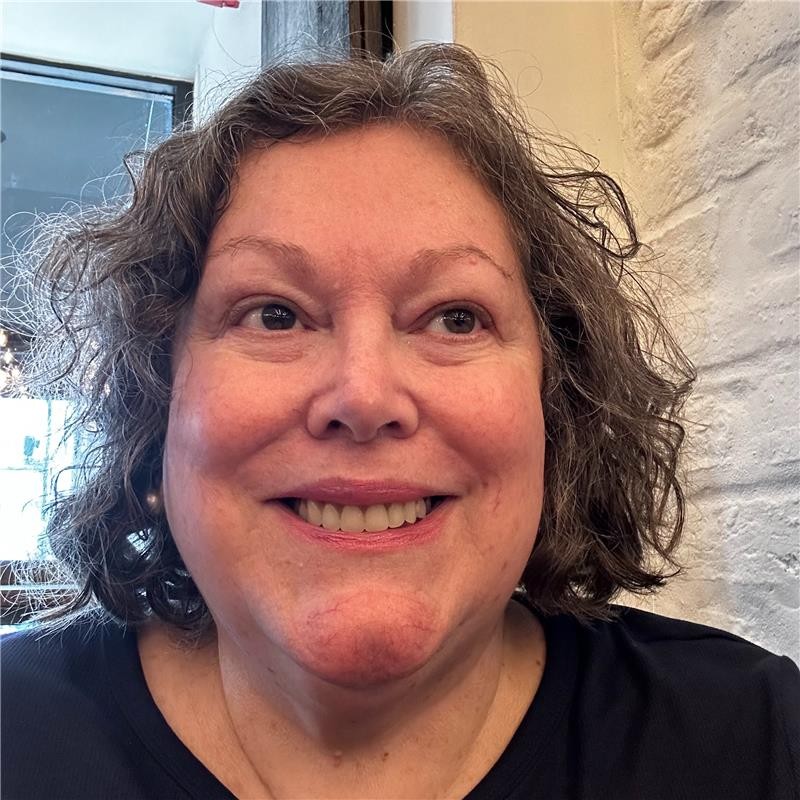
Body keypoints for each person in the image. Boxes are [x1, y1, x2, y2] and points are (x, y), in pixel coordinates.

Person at [2, 42, 798, 800]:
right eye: (274, 314)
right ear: (155, 396)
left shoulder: (756, 741)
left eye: (455, 318)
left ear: (561, 404)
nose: (364, 396)